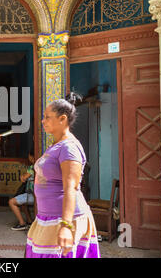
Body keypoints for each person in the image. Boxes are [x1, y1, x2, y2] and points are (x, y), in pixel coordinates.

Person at [25, 93, 100, 258]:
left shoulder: (69, 148)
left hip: (65, 219)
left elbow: (71, 188)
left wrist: (66, 226)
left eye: (47, 117)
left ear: (62, 119)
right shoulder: (56, 145)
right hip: (47, 217)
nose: (43, 121)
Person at [9, 152, 35, 230]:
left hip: (34, 196)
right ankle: (29, 221)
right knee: (23, 203)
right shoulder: (42, 165)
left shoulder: (32, 168)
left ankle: (22, 223)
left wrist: (22, 176)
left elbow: (23, 178)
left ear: (31, 157)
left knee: (11, 202)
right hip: (39, 195)